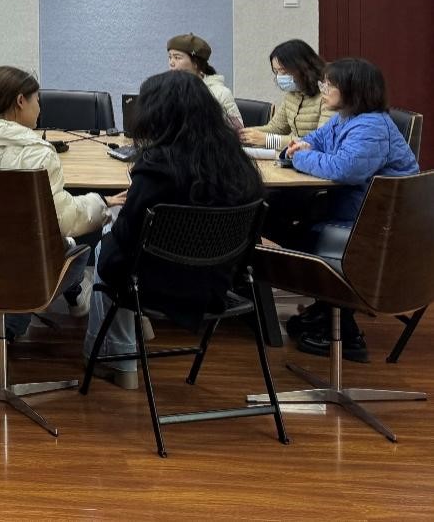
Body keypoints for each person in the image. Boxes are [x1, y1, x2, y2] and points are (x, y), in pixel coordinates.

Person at [83, 69, 265, 387]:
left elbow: (126, 238)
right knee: (127, 247)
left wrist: (115, 212)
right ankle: (136, 331)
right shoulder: (239, 164)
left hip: (157, 282)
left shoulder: (156, 168)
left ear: (156, 113)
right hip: (216, 281)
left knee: (107, 243)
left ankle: (119, 360)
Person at [0, 66, 108, 354]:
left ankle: (14, 325)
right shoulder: (39, 153)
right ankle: (11, 329)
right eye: (37, 100)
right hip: (21, 267)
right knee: (75, 250)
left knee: (43, 245)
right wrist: (101, 204)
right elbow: (63, 220)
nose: (40, 107)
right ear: (21, 101)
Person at [282, 57, 420, 362]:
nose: (323, 90)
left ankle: (345, 330)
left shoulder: (371, 126)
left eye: (329, 85)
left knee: (293, 231)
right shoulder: (345, 118)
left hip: (378, 228)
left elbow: (344, 169)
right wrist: (300, 148)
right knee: (284, 220)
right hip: (358, 214)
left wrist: (298, 157)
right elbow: (313, 141)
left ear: (353, 89)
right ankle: (326, 311)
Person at [241, 39, 333, 150]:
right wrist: (242, 134)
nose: (279, 77)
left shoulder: (328, 96)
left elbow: (320, 141)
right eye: (276, 72)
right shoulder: (292, 95)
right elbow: (276, 128)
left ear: (304, 68)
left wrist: (269, 140)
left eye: (284, 72)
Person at [166, 33, 243, 130]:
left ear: (196, 63)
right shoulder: (168, 92)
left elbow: (239, 132)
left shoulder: (220, 94)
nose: (171, 63)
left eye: (177, 57)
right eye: (170, 57)